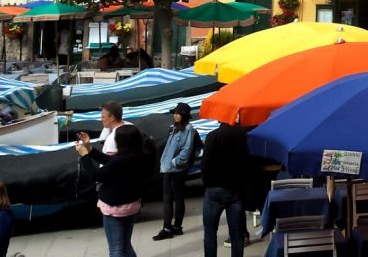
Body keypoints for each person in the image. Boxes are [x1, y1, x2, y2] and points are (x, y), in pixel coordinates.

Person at [76, 124, 149, 257]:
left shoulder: (121, 161)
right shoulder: (139, 156)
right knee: (126, 245)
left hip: (115, 209)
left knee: (116, 249)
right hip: (132, 206)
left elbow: (96, 175)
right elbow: (111, 161)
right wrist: (89, 149)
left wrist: (85, 156)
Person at [202, 122, 251, 257]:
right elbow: (247, 162)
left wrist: (207, 184)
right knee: (236, 234)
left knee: (210, 232)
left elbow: (205, 164)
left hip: (215, 189)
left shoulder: (213, 136)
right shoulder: (243, 136)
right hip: (236, 190)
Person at [153, 102, 196, 241]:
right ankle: (172, 227)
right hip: (168, 168)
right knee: (169, 199)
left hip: (176, 169)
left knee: (175, 199)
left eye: (178, 113)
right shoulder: (175, 128)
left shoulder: (188, 129)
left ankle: (172, 227)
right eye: (175, 113)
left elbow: (186, 150)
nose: (176, 116)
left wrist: (174, 162)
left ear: (184, 115)